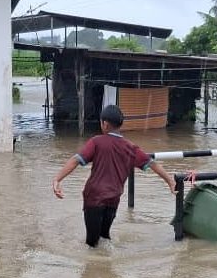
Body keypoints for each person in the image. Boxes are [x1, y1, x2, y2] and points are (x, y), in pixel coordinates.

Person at [52, 105, 176, 248]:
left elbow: (76, 160)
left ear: (104, 124)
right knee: (105, 237)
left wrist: (57, 179)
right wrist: (170, 182)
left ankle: (96, 268)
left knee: (91, 243)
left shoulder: (96, 142)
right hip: (113, 199)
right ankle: (106, 266)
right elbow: (153, 164)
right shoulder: (130, 147)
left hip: (94, 198)